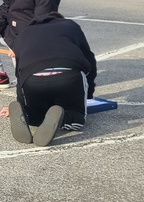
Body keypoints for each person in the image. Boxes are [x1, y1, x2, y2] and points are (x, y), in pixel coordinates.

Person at [6, 11, 97, 147]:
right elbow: (89, 58)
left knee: (38, 117)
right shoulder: (70, 26)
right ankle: (64, 117)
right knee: (78, 117)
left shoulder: (23, 34)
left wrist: (21, 103)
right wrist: (88, 94)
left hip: (32, 77)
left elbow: (19, 74)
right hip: (67, 74)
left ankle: (27, 114)